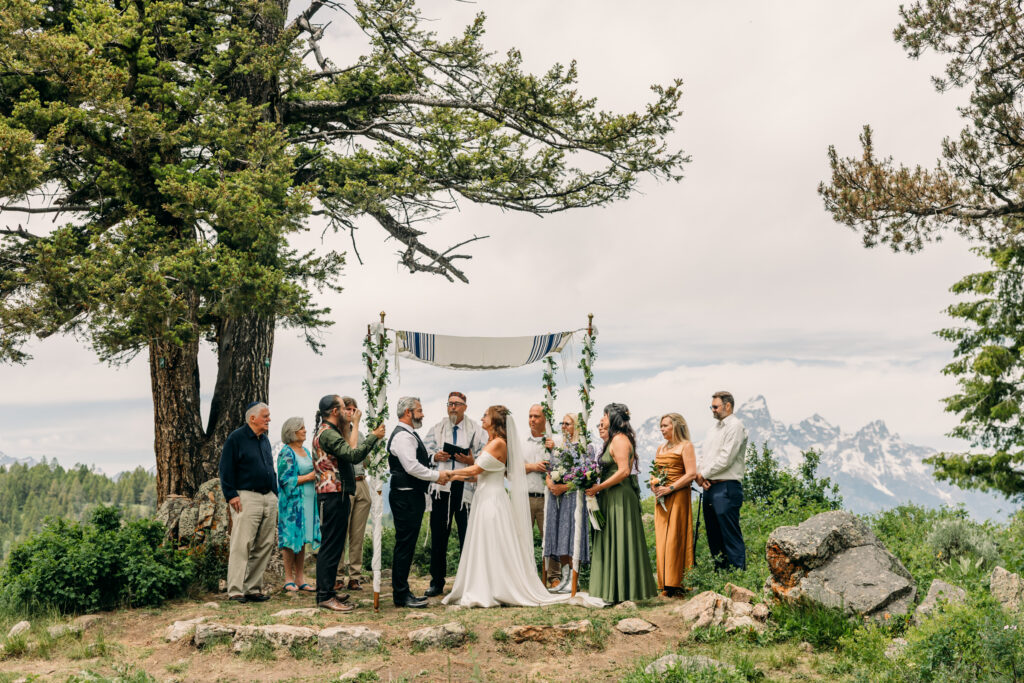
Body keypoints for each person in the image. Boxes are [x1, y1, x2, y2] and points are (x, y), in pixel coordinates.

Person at [441, 406, 570, 608]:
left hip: (492, 501)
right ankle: (485, 584)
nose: (482, 417)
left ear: (495, 421)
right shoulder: (490, 443)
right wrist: (453, 476)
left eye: (486, 415)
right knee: (484, 543)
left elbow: (476, 468)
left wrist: (448, 474)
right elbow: (478, 476)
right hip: (483, 498)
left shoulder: (499, 444)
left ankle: (495, 588)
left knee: (493, 542)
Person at [312, 394, 385, 612]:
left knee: (334, 546)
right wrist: (372, 436)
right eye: (344, 408)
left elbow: (349, 450)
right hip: (332, 494)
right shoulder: (327, 435)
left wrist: (354, 426)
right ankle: (324, 595)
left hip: (339, 493)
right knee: (330, 546)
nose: (348, 411)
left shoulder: (333, 432)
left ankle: (329, 591)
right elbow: (353, 456)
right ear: (335, 411)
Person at [586, 403, 658, 603]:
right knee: (612, 539)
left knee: (620, 538)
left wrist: (599, 488)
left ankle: (622, 591)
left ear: (613, 418)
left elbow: (624, 471)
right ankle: (614, 591)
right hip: (611, 494)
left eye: (605, 415)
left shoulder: (619, 439)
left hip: (620, 496)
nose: (602, 419)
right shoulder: (613, 440)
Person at [388, 396, 453, 608]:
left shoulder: (408, 434)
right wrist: (437, 477)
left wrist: (434, 461)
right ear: (408, 412)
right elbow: (412, 467)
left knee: (407, 544)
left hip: (410, 495)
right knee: (405, 545)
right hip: (405, 497)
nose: (422, 414)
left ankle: (403, 590)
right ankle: (400, 594)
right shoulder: (403, 437)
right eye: (419, 410)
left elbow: (418, 462)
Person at [421, 391, 485, 598]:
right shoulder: (437, 428)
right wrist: (435, 455)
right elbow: (422, 452)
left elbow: (486, 455)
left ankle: (469, 582)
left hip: (466, 487)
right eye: (449, 404)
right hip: (443, 486)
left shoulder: (476, 429)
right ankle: (436, 582)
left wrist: (471, 461)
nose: (452, 408)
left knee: (468, 536)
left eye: (457, 404)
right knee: (439, 537)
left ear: (465, 407)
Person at [219, 402, 278, 603]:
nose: (269, 419)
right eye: (265, 416)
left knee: (265, 544)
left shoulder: (265, 440)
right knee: (241, 544)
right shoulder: (236, 438)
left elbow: (270, 467)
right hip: (246, 497)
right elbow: (225, 469)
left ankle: (253, 588)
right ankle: (235, 589)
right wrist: (231, 495)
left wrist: (275, 494)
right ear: (252, 418)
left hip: (268, 497)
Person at [696, 391, 749, 570]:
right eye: (711, 406)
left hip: (727, 487)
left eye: (715, 406)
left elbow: (727, 458)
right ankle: (720, 576)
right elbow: (705, 456)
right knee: (714, 535)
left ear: (728, 406)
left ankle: (738, 576)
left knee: (730, 534)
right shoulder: (712, 430)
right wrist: (700, 476)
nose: (713, 410)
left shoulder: (735, 426)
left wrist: (704, 474)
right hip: (710, 487)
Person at [544, 413, 591, 593]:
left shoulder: (583, 447)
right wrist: (550, 482)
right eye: (562, 423)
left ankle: (574, 578)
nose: (564, 427)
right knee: (560, 536)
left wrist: (564, 487)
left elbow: (585, 475)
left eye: (568, 424)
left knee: (572, 537)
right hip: (559, 498)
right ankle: (564, 578)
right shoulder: (559, 447)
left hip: (573, 496)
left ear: (576, 426)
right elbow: (550, 468)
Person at [651, 413, 697, 597]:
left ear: (676, 426)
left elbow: (691, 474)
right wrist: (654, 485)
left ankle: (677, 584)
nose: (662, 429)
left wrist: (670, 488)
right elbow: (655, 471)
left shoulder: (686, 446)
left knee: (674, 540)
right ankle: (664, 584)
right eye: (661, 426)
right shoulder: (660, 448)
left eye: (665, 426)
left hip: (677, 496)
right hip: (661, 498)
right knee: (662, 540)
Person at [276, 416, 319, 593]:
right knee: (289, 539)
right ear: (292, 432)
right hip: (292, 505)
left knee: (301, 540)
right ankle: (288, 578)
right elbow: (285, 480)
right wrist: (309, 477)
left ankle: (300, 578)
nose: (305, 431)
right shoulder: (286, 452)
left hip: (308, 501)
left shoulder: (306, 452)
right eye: (301, 428)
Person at [339, 396, 371, 592]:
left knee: (357, 535)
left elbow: (366, 459)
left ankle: (355, 576)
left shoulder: (360, 433)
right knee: (341, 533)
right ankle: (337, 575)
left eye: (354, 409)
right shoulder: (336, 433)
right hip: (344, 484)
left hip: (361, 482)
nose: (351, 412)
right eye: (347, 409)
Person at [523, 404, 553, 572]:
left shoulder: (552, 441)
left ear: (545, 419)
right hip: (524, 497)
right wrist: (533, 467)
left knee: (549, 538)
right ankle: (526, 575)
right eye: (530, 416)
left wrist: (553, 450)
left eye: (536, 416)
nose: (532, 420)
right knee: (523, 539)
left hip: (546, 497)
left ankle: (553, 576)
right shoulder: (520, 441)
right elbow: (511, 469)